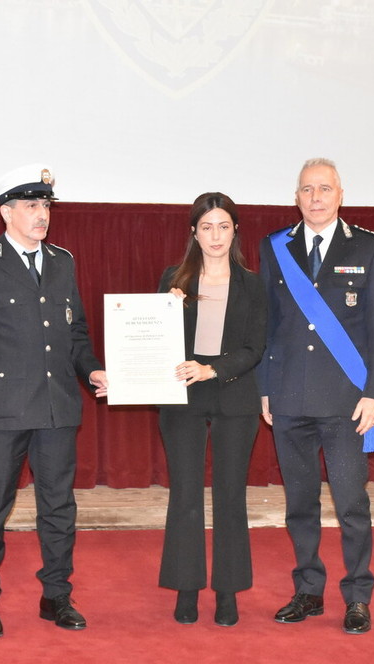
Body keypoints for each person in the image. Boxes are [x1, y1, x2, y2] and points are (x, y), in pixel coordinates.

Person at [0, 164, 108, 638]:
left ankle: (56, 595)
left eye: (46, 204)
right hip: (6, 407)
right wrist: (0, 363)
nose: (42, 214)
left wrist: (91, 369)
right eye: (31, 205)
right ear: (6, 212)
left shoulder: (62, 262)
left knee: (59, 508)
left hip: (57, 406)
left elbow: (75, 333)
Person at [258, 158, 374, 635]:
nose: (315, 198)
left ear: (340, 195)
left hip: (346, 403)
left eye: (324, 189)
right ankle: (308, 590)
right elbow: (267, 323)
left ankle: (357, 596)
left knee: (351, 504)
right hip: (289, 397)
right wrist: (265, 388)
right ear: (296, 197)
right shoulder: (276, 246)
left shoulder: (368, 246)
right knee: (300, 504)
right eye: (306, 190)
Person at [157, 192, 266, 627]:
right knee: (185, 494)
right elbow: (154, 341)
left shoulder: (253, 284)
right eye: (206, 227)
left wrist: (212, 369)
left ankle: (227, 591)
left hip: (234, 396)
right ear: (194, 233)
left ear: (235, 230)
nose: (215, 235)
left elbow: (254, 347)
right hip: (182, 397)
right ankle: (186, 588)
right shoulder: (173, 279)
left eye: (223, 226)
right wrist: (165, 313)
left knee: (230, 496)